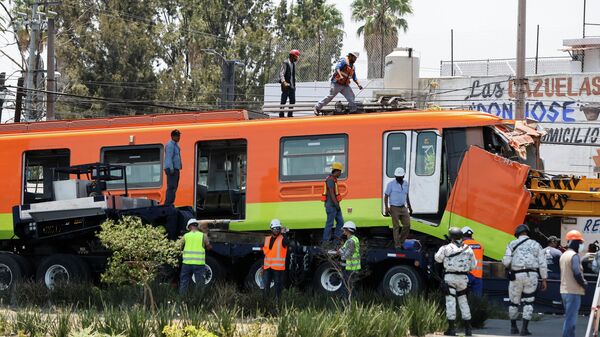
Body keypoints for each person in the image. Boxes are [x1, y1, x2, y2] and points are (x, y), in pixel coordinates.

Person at [502, 224, 548, 336]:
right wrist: (544, 279)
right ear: (527, 233)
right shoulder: (536, 244)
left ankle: (513, 327)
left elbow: (506, 262)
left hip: (516, 276)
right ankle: (524, 329)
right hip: (531, 276)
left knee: (513, 302)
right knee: (529, 301)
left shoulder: (512, 244)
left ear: (517, 234)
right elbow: (542, 263)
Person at [435, 227, 476, 336]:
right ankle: (468, 329)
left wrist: (443, 246)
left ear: (451, 237)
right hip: (463, 279)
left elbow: (437, 259)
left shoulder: (446, 248)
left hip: (450, 278)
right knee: (463, 301)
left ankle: (451, 329)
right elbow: (473, 266)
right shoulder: (468, 249)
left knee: (450, 302)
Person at [560, 230, 587, 337]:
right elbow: (577, 273)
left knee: (569, 318)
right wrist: (584, 283)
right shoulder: (574, 256)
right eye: (580, 242)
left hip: (564, 291)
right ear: (574, 243)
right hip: (573, 292)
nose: (581, 245)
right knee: (571, 320)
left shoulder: (564, 255)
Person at [179, 218, 212, 295]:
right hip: (199, 264)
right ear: (197, 226)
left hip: (186, 263)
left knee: (184, 282)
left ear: (189, 227)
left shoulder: (186, 236)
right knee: (200, 284)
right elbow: (209, 247)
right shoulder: (203, 236)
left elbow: (178, 246)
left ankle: (182, 299)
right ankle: (198, 300)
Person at [384, 167, 413, 249]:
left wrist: (409, 207)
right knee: (396, 226)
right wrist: (387, 208)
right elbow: (386, 196)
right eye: (397, 177)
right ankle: (397, 245)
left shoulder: (406, 184)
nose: (398, 178)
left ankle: (400, 241)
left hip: (403, 207)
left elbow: (406, 195)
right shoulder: (390, 184)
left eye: (400, 177)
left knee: (407, 225)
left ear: (403, 176)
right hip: (394, 208)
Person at [262, 219, 289, 300]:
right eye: (275, 228)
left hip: (277, 268)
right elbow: (265, 253)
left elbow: (286, 242)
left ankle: (277, 300)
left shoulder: (282, 239)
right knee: (266, 284)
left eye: (278, 228)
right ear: (271, 229)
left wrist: (284, 234)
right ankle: (265, 300)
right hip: (267, 267)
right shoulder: (267, 239)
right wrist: (263, 265)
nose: (276, 230)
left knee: (278, 285)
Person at [321, 162, 345, 244]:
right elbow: (331, 193)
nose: (340, 174)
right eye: (340, 171)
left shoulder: (333, 179)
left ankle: (336, 240)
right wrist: (336, 205)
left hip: (335, 206)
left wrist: (337, 205)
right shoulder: (330, 180)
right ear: (337, 171)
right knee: (330, 223)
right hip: (332, 206)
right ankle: (326, 241)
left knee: (341, 222)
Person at [337, 221, 361, 299]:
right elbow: (344, 248)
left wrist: (341, 256)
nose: (343, 231)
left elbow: (349, 252)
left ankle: (346, 301)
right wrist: (338, 251)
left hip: (351, 268)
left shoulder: (351, 241)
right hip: (352, 268)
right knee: (350, 285)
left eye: (344, 229)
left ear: (348, 230)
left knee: (347, 286)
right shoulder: (351, 239)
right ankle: (350, 301)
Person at [462, 226, 484, 297]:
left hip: (467, 274)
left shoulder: (462, 245)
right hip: (478, 275)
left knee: (462, 297)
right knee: (477, 298)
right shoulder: (480, 245)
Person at [279, 49, 300, 118]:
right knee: (283, 100)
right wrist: (284, 82)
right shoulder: (285, 63)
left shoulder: (293, 64)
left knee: (292, 100)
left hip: (292, 86)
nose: (297, 58)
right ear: (292, 56)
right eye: (296, 57)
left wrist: (293, 84)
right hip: (286, 85)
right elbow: (281, 74)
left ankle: (290, 115)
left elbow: (292, 75)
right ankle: (281, 115)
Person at [164, 129, 182, 206]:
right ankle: (168, 204)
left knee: (174, 187)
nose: (178, 137)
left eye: (179, 136)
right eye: (177, 136)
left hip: (175, 169)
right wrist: (171, 168)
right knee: (171, 187)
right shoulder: (170, 145)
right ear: (172, 136)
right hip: (172, 169)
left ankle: (170, 203)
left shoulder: (176, 145)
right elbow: (169, 157)